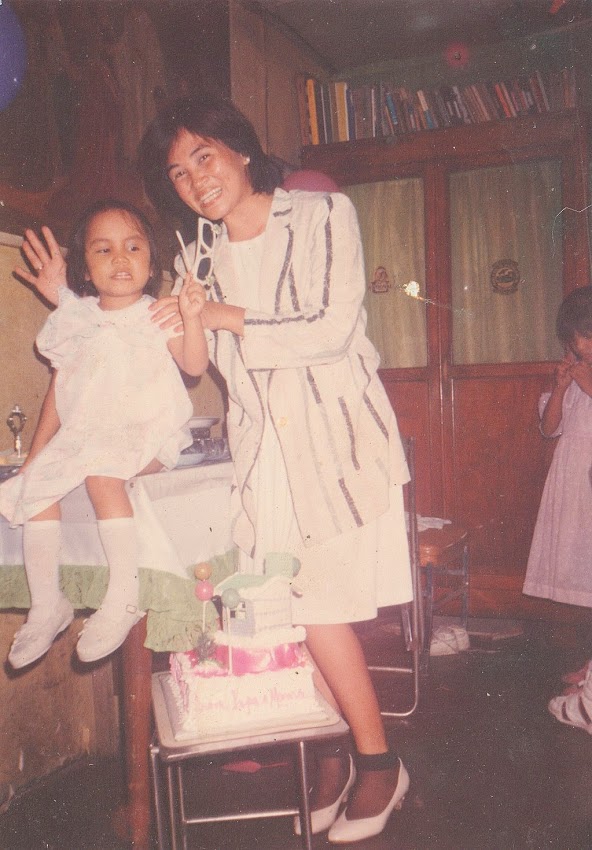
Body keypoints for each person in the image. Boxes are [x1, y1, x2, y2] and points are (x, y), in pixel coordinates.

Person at [19, 95, 413, 844]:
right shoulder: (196, 257)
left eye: (203, 156)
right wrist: (86, 305)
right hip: (263, 453)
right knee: (286, 614)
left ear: (240, 149)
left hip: (332, 443)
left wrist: (221, 315)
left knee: (321, 610)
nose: (194, 178)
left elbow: (330, 331)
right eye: (177, 171)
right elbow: (169, 350)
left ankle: (379, 763)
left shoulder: (322, 216)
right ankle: (332, 755)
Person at [5, 198, 209, 669]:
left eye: (133, 247)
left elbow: (195, 365)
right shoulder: (78, 317)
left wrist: (192, 316)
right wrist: (36, 457)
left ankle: (123, 596)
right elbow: (62, 389)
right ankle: (47, 604)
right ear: (85, 269)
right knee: (36, 489)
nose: (120, 258)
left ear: (152, 263)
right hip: (90, 436)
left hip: (149, 434)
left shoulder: (158, 313)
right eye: (103, 250)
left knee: (103, 476)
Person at [522, 286, 592, 730]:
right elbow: (548, 429)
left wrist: (584, 380)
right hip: (574, 479)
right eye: (575, 340)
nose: (580, 347)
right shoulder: (576, 374)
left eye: (586, 337)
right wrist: (562, 385)